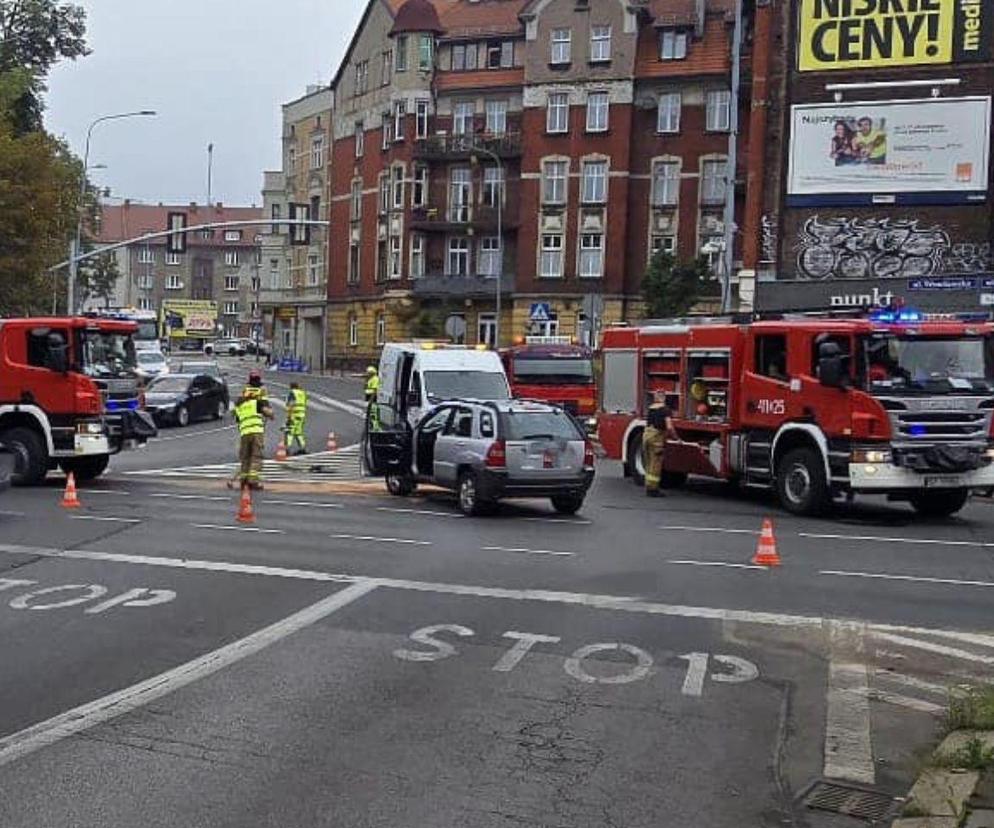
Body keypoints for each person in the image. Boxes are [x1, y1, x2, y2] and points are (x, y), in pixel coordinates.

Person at [228, 370, 274, 490]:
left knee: (245, 457)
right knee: (256, 457)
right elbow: (269, 413)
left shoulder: (240, 404)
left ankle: (243, 481)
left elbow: (235, 416)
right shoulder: (257, 402)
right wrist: (270, 413)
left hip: (244, 433)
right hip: (256, 432)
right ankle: (253, 481)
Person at [643, 390, 678, 498]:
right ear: (664, 398)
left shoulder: (651, 408)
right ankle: (653, 489)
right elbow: (669, 427)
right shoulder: (665, 410)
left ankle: (648, 486)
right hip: (656, 439)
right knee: (656, 464)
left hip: (646, 436)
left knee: (649, 463)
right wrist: (676, 437)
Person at [284, 381, 308, 456]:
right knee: (298, 432)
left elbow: (292, 404)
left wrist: (289, 416)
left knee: (289, 432)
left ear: (291, 387)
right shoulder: (303, 393)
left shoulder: (292, 393)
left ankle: (287, 449)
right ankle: (302, 448)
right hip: (302, 415)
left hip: (294, 415)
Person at [364, 366, 381, 433]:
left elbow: (374, 390)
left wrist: (371, 400)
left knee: (374, 412)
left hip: (372, 397)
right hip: (368, 396)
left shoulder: (375, 379)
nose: (367, 374)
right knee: (370, 412)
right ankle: (370, 424)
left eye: (368, 373)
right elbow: (365, 387)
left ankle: (375, 427)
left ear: (372, 373)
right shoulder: (370, 379)